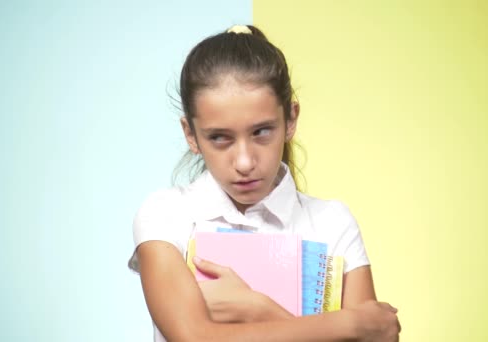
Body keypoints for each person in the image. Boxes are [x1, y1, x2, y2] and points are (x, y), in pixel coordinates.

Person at [128, 24, 401, 342]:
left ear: (291, 120)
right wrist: (351, 325)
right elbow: (194, 337)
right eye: (219, 138)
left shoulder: (333, 223)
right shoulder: (166, 213)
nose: (244, 162)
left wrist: (256, 308)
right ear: (191, 134)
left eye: (261, 132)